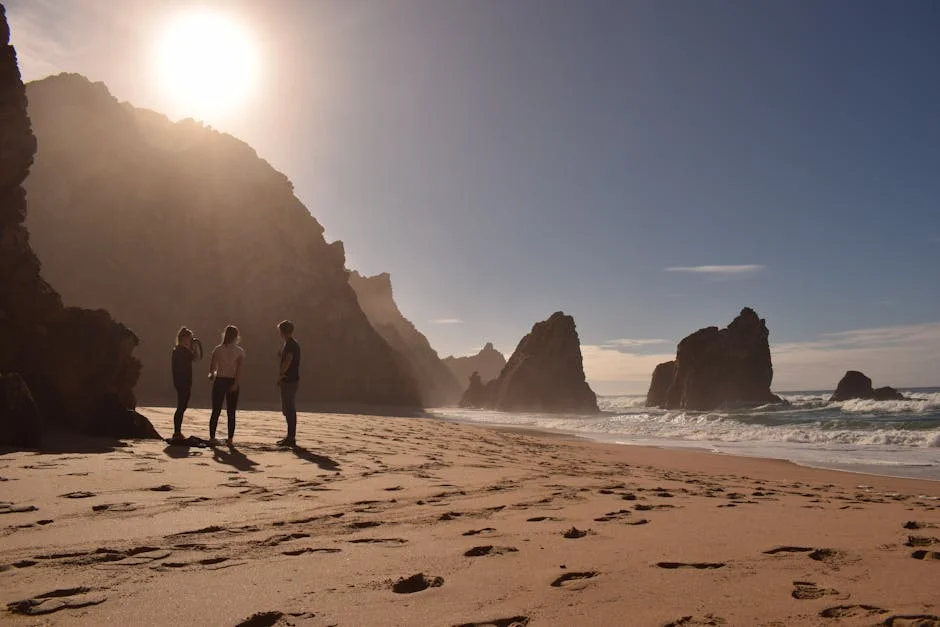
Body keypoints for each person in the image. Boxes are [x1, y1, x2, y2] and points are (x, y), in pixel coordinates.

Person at [208, 325, 245, 446]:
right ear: (236, 336)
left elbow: (212, 368)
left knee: (216, 410)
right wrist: (235, 384)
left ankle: (212, 437)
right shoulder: (239, 351)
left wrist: (212, 375)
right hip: (232, 380)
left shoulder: (218, 349)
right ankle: (230, 439)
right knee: (231, 411)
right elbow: (239, 371)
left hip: (219, 380)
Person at [170, 327, 202, 441]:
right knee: (181, 407)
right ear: (183, 338)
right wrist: (195, 347)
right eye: (189, 338)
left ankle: (177, 431)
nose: (190, 340)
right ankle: (177, 432)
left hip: (181, 382)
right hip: (183, 382)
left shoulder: (178, 350)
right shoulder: (182, 351)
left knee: (182, 407)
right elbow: (198, 357)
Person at [276, 320, 301, 447]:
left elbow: (289, 360)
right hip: (292, 379)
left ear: (283, 331)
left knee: (289, 408)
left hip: (289, 380)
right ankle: (290, 436)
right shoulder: (291, 344)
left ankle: (291, 437)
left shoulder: (290, 344)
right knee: (287, 408)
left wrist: (281, 374)